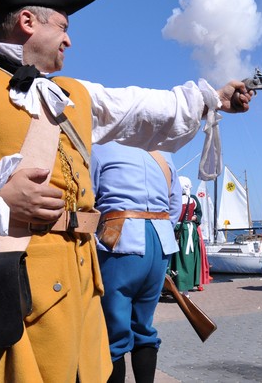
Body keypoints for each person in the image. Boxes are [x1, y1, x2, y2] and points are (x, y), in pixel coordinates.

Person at [0, 0, 253, 382]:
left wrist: (211, 99)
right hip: (0, 290)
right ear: (27, 22)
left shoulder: (72, 94)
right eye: (62, 27)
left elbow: (141, 108)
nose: (69, 40)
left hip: (79, 287)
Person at [91, 143, 182, 383]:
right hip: (159, 241)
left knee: (113, 335)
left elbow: (86, 202)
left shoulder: (99, 148)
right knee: (144, 329)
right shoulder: (163, 154)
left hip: (120, 241)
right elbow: (175, 207)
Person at [169, 176, 202, 295]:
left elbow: (198, 214)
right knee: (186, 260)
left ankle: (177, 287)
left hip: (178, 230)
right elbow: (197, 213)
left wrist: (194, 218)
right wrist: (193, 218)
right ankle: (183, 288)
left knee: (177, 259)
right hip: (188, 231)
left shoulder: (173, 199)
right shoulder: (191, 200)